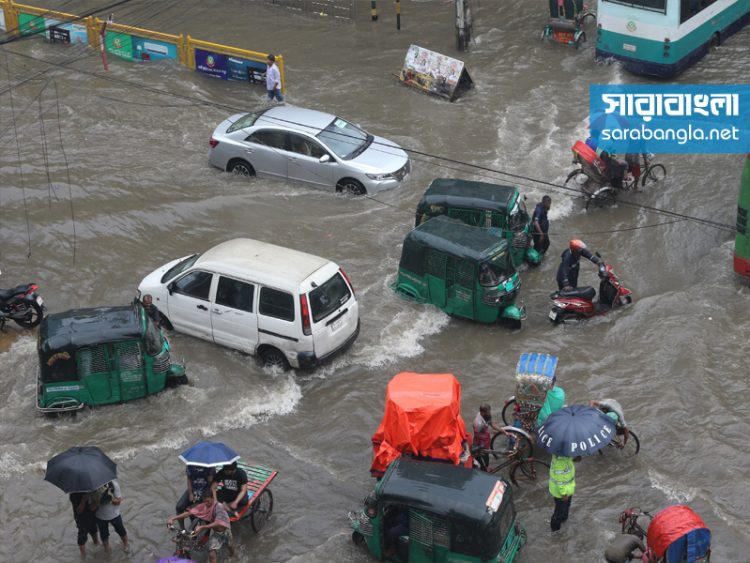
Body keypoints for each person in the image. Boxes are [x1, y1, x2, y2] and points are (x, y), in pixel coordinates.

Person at [168, 488, 234, 563]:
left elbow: (217, 523)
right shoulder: (203, 506)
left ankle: (232, 555)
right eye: (204, 501)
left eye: (208, 501)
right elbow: (189, 513)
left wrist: (202, 527)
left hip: (225, 530)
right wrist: (173, 518)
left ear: (213, 499)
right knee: (212, 554)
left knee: (230, 545)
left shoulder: (219, 507)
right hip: (216, 534)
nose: (206, 503)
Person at [94, 479, 129, 552]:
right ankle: (107, 550)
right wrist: (98, 500)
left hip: (114, 515)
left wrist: (109, 498)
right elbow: (91, 507)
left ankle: (126, 545)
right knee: (104, 536)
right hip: (100, 517)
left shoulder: (113, 485)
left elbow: (119, 501)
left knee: (121, 531)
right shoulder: (93, 488)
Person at [473, 403, 507, 470]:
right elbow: (477, 435)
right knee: (482, 456)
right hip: (480, 442)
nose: (489, 413)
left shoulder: (486, 416)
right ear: (482, 412)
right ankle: (484, 468)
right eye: (488, 412)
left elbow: (492, 424)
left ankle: (486, 466)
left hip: (486, 439)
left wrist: (504, 431)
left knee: (486, 454)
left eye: (489, 411)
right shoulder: (478, 423)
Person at [548, 454, 577, 532]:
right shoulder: (559, 463)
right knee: (559, 512)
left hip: (568, 489)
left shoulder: (566, 457)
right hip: (561, 493)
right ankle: (555, 530)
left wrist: (574, 458)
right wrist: (563, 494)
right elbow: (560, 481)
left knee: (566, 507)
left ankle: (563, 520)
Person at [69, 492, 99, 557]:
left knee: (94, 530)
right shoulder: (73, 495)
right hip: (81, 518)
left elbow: (93, 507)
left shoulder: (92, 490)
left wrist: (96, 500)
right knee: (82, 537)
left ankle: (96, 544)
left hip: (91, 515)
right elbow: (79, 511)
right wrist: (83, 500)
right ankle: (83, 555)